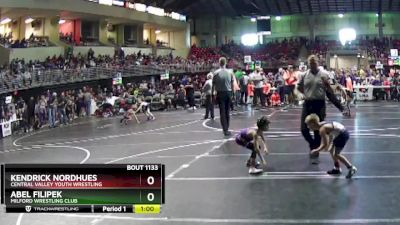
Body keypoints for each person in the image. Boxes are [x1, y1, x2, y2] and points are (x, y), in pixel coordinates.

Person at [297, 55, 344, 164]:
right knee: (304, 129)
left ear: (318, 63)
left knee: (318, 130)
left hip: (319, 104)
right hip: (308, 103)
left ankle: (315, 150)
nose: (312, 66)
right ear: (309, 64)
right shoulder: (304, 75)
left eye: (314, 63)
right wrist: (302, 94)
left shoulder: (324, 74)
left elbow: (330, 92)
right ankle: (312, 145)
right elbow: (298, 87)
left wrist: (340, 107)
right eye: (311, 64)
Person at [305, 114, 357, 178]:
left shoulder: (322, 130)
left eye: (308, 125)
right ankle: (337, 168)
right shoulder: (322, 124)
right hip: (341, 133)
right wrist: (330, 144)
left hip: (342, 135)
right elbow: (331, 133)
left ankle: (351, 167)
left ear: (312, 124)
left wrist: (316, 150)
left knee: (336, 154)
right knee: (331, 150)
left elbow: (324, 144)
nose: (308, 127)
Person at [212, 57, 234, 136]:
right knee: (227, 111)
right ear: (225, 63)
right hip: (228, 92)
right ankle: (227, 128)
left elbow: (213, 85)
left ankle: (225, 129)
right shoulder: (230, 72)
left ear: (219, 63)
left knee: (222, 112)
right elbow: (232, 84)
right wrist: (232, 94)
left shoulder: (216, 73)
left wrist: (213, 94)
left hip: (220, 93)